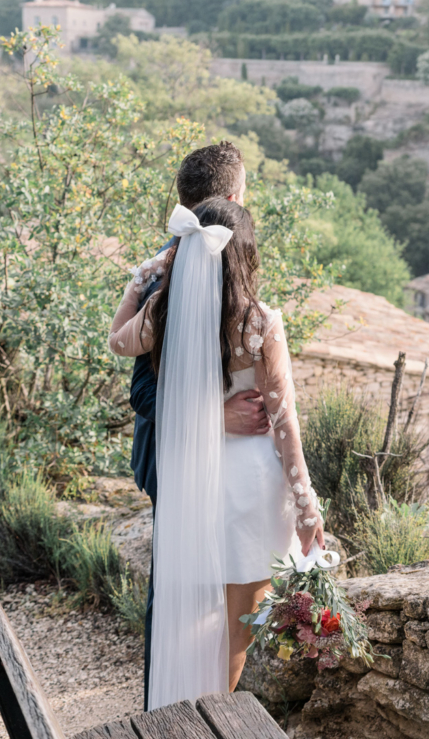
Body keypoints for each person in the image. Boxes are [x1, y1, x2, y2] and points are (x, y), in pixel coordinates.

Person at [124, 143, 272, 708]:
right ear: (234, 198)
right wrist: (217, 415)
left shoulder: (225, 258)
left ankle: (206, 708)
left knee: (226, 601)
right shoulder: (166, 273)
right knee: (176, 601)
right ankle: (160, 714)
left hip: (229, 470)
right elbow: (141, 390)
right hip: (179, 462)